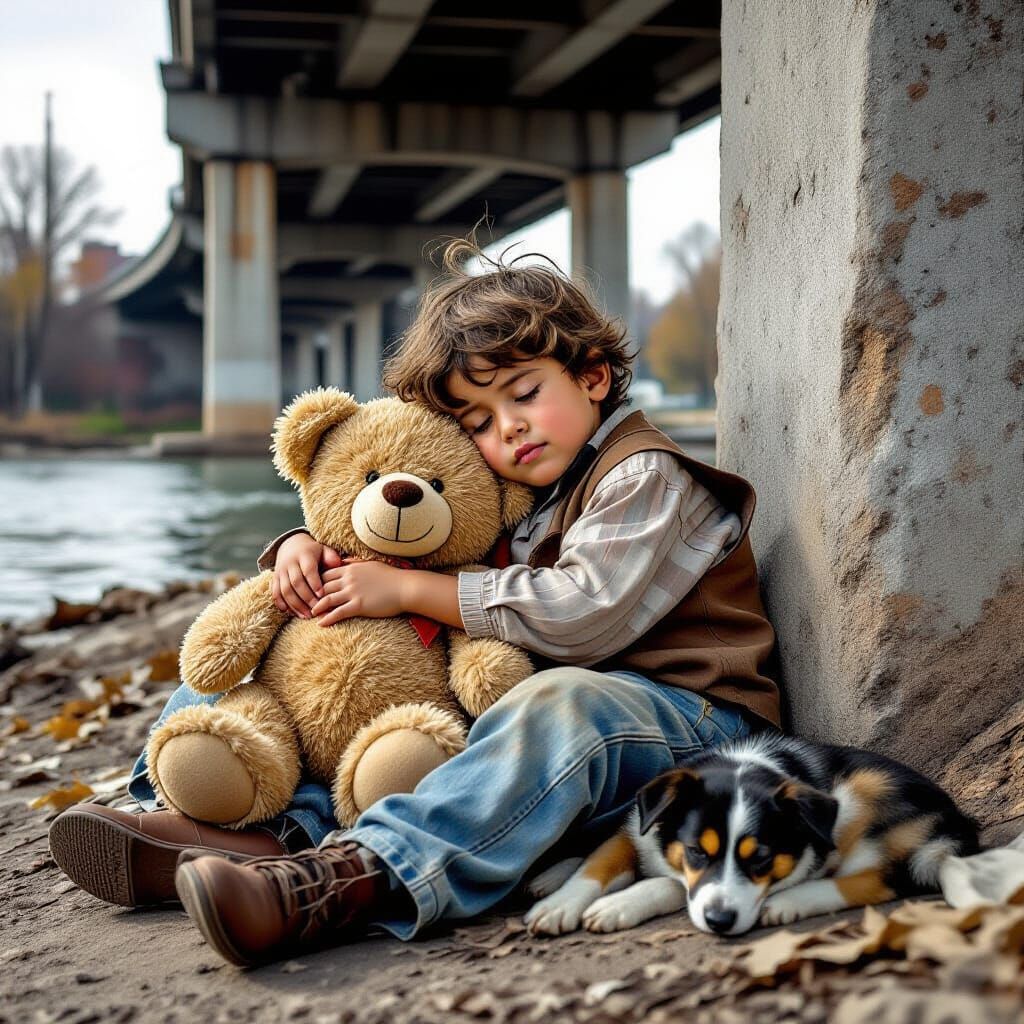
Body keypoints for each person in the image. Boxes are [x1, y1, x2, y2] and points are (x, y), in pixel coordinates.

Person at [52, 239, 780, 966]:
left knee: (559, 704)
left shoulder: (643, 475)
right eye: (477, 423)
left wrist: (406, 588)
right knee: (306, 640)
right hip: (565, 729)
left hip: (691, 723)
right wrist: (308, 549)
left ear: (592, 376)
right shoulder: (528, 488)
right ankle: (197, 817)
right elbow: (415, 518)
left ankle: (350, 880)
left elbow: (580, 617)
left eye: (523, 394)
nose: (508, 429)